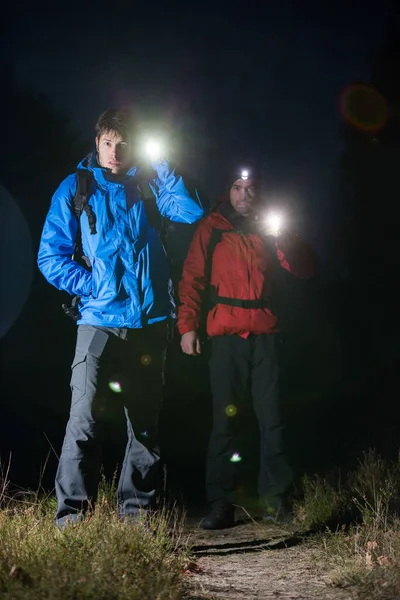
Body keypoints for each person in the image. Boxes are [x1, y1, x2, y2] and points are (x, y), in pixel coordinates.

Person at [37, 108, 205, 527]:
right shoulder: (76, 188)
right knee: (84, 422)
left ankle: (137, 521)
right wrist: (93, 286)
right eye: (108, 142)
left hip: (149, 324)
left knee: (144, 427)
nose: (115, 152)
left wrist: (164, 163)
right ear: (97, 143)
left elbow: (190, 212)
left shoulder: (148, 187)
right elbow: (50, 256)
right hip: (97, 322)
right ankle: (71, 522)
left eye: (124, 144)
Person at [177, 164, 316, 529]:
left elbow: (302, 267)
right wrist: (187, 327)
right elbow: (191, 278)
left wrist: (285, 234)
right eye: (237, 187)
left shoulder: (271, 227)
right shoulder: (211, 227)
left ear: (259, 192)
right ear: (228, 190)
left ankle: (277, 500)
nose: (243, 194)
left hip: (266, 336)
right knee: (224, 422)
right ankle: (220, 504)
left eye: (251, 188)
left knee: (273, 420)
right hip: (225, 338)